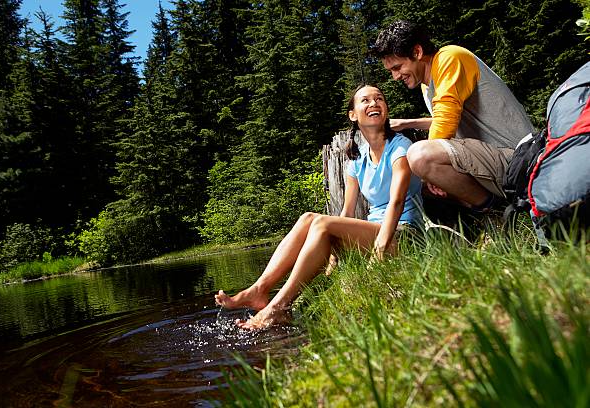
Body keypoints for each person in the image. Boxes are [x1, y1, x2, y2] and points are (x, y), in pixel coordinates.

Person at [215, 84, 423, 330]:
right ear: (353, 115)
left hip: (402, 234)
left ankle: (277, 308)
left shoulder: (400, 146)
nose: (374, 103)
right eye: (365, 100)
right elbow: (346, 214)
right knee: (308, 218)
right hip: (371, 232)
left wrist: (379, 249)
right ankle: (260, 289)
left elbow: (397, 201)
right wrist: (335, 256)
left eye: (379, 99)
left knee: (322, 223)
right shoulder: (357, 161)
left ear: (386, 109)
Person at [372, 20, 534, 211]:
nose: (395, 76)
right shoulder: (427, 85)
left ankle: (497, 211)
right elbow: (450, 118)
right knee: (414, 182)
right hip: (493, 160)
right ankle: (481, 221)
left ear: (417, 52)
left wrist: (427, 171)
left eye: (397, 67)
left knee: (420, 157)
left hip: (520, 158)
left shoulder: (449, 58)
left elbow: (446, 121)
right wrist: (408, 123)